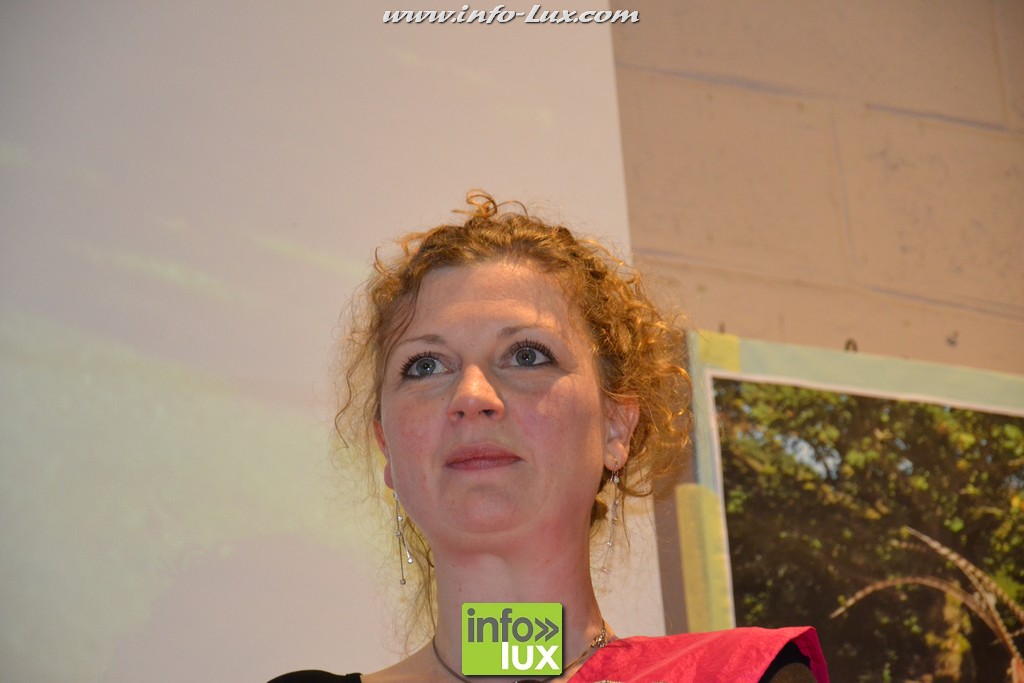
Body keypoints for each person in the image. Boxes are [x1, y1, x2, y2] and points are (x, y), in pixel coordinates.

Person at [270, 191, 829, 683]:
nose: (471, 395)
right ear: (387, 449)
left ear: (616, 428)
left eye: (526, 355)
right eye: (425, 365)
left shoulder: (744, 678)